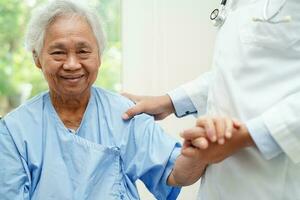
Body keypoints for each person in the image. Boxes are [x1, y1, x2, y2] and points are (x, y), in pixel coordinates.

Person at [0, 1, 208, 199]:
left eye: (83, 51)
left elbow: (175, 174)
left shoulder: (125, 114)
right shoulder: (13, 130)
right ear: (37, 58)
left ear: (99, 55)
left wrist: (197, 154)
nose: (72, 64)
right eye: (58, 53)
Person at [122, 0, 300, 199]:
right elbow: (232, 72)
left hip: (273, 180)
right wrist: (169, 101)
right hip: (219, 184)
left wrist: (249, 136)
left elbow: (175, 175)